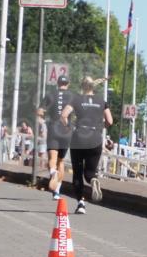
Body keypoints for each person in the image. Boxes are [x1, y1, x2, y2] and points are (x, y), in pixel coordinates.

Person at [60, 77, 113, 214]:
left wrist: (68, 128)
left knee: (77, 172)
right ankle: (93, 179)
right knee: (90, 171)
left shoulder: (76, 99)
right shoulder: (101, 101)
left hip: (79, 137)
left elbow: (64, 115)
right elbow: (110, 121)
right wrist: (101, 127)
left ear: (82, 86)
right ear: (93, 87)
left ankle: (81, 203)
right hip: (95, 137)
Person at [42, 75, 75, 200]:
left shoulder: (50, 95)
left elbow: (40, 111)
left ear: (57, 83)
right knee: (60, 161)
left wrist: (43, 116)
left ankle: (52, 172)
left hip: (53, 129)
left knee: (52, 158)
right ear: (68, 83)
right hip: (67, 131)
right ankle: (57, 191)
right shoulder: (73, 96)